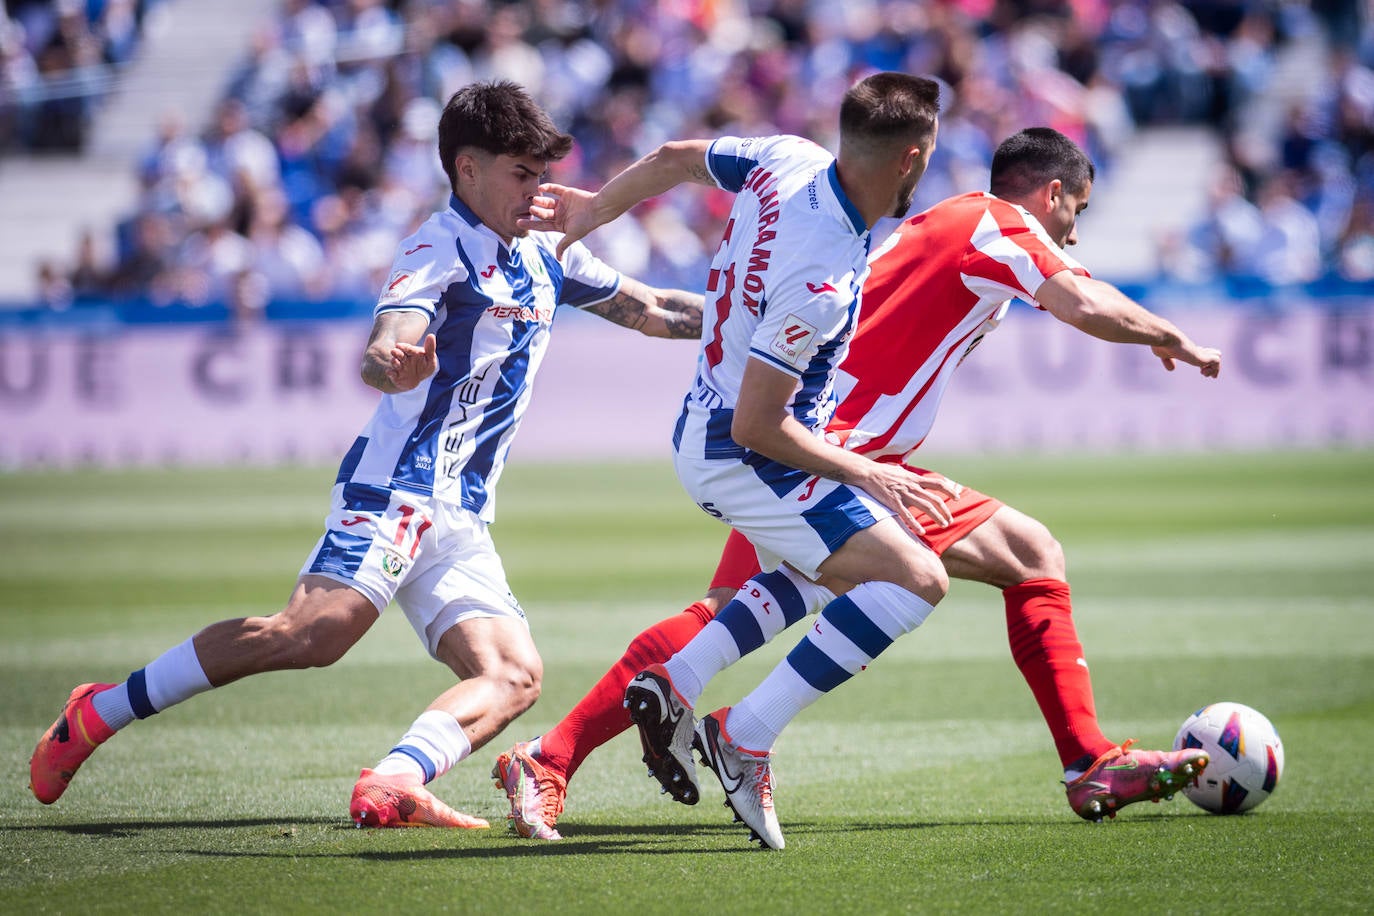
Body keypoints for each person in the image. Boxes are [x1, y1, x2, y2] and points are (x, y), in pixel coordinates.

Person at [494, 127, 1220, 847]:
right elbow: (1082, 303)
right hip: (827, 455)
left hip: (862, 454)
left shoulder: (951, 221)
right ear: (1053, 193)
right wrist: (1169, 334)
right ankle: (553, 758)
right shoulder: (1001, 225)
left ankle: (1089, 761)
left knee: (1030, 554)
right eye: (1077, 213)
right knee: (733, 612)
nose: (1073, 233)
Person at [27, 81, 704, 828]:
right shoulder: (436, 247)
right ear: (467, 169)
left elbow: (655, 311)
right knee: (311, 637)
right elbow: (385, 343)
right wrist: (394, 363)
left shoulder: (544, 254)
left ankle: (392, 779)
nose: (539, 192)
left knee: (514, 675)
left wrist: (759, 320)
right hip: (396, 493)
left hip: (462, 518)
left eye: (542, 175)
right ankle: (99, 710)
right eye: (522, 174)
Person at [501, 72, 956, 849]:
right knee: (915, 580)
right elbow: (759, 422)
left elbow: (680, 157)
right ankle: (744, 735)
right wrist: (868, 471)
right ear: (912, 158)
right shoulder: (824, 276)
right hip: (743, 453)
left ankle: (674, 684)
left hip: (713, 430)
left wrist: (591, 209)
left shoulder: (788, 157)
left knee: (822, 579)